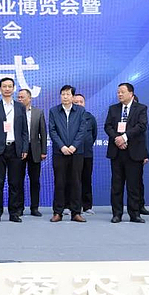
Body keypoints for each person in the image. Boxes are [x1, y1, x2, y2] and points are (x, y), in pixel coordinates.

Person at [0, 77, 29, 223]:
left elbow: (24, 130)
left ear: (13, 88)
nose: (7, 89)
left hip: (15, 149)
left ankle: (14, 213)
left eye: (10, 86)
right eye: (4, 86)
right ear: (0, 89)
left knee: (14, 183)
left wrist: (24, 147)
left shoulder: (20, 107)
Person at [104, 82, 148, 223]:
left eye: (122, 92)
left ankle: (134, 214)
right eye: (118, 92)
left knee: (133, 185)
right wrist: (117, 138)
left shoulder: (141, 108)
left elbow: (141, 126)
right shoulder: (113, 109)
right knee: (116, 185)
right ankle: (117, 214)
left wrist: (124, 137)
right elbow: (107, 126)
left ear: (131, 93)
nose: (119, 94)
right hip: (117, 152)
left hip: (134, 152)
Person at [48, 85, 88, 222]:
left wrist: (74, 146)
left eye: (68, 94)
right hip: (59, 153)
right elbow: (52, 131)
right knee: (59, 182)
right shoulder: (54, 111)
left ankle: (76, 212)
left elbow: (82, 130)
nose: (65, 97)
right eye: (63, 94)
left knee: (76, 182)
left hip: (77, 152)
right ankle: (58, 212)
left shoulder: (81, 111)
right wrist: (62, 147)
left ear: (73, 96)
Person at [17, 88, 46, 217]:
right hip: (19, 150)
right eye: (18, 97)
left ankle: (34, 207)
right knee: (18, 180)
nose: (20, 99)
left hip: (35, 150)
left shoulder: (38, 112)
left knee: (35, 180)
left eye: (22, 97)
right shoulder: (14, 112)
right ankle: (19, 207)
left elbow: (43, 133)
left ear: (29, 98)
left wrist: (43, 151)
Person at [72, 94, 97, 215]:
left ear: (84, 103)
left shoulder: (90, 118)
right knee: (72, 180)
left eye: (81, 102)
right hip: (72, 153)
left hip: (86, 154)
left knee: (86, 179)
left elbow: (94, 135)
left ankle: (87, 206)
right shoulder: (69, 117)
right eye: (76, 102)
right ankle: (70, 205)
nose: (79, 104)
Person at [135, 94, 149, 216]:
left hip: (138, 153)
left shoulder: (142, 117)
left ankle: (140, 205)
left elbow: (146, 136)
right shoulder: (120, 114)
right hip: (122, 153)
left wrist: (146, 154)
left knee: (138, 182)